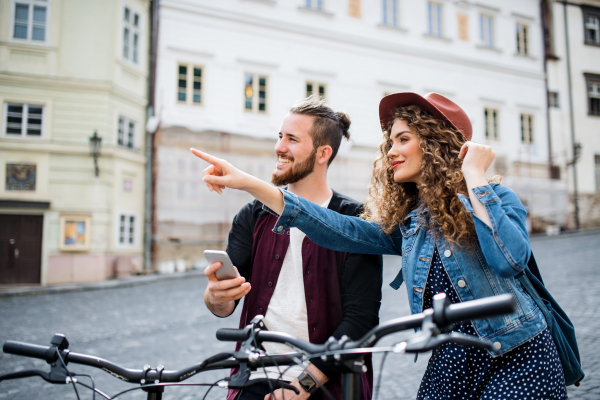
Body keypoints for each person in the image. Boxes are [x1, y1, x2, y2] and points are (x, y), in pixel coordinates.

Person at [192, 92, 568, 399]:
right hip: (451, 360)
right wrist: (249, 182)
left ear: (437, 143)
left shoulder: (497, 197)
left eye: (403, 139)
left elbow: (509, 260)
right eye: (391, 141)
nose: (390, 150)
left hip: (517, 354)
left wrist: (474, 178)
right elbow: (338, 229)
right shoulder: (410, 224)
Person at [201, 98, 383, 400]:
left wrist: (303, 386)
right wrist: (215, 297)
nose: (279, 147)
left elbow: (360, 320)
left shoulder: (355, 221)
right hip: (253, 378)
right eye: (280, 136)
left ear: (323, 153)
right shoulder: (253, 215)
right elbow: (225, 305)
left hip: (327, 384)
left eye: (292, 139)